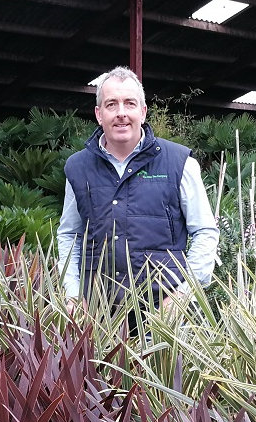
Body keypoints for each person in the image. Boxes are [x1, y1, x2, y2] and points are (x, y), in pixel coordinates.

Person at [57, 66, 219, 314]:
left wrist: (183, 295)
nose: (121, 113)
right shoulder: (78, 168)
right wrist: (72, 294)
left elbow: (205, 232)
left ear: (142, 112)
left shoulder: (180, 163)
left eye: (129, 104)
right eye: (111, 105)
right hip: (98, 314)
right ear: (99, 114)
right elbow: (70, 235)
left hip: (165, 317)